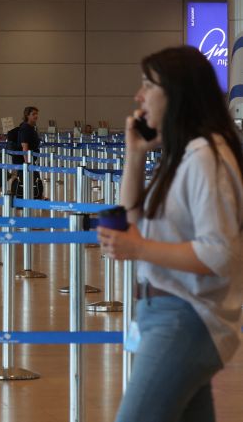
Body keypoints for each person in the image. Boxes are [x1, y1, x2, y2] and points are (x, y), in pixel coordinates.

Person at [97, 46, 243, 422]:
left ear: (177, 93)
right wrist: (134, 154)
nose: (139, 96)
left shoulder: (206, 156)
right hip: (163, 313)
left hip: (185, 318)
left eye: (149, 85)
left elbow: (218, 253)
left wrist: (139, 248)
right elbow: (133, 218)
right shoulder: (183, 155)